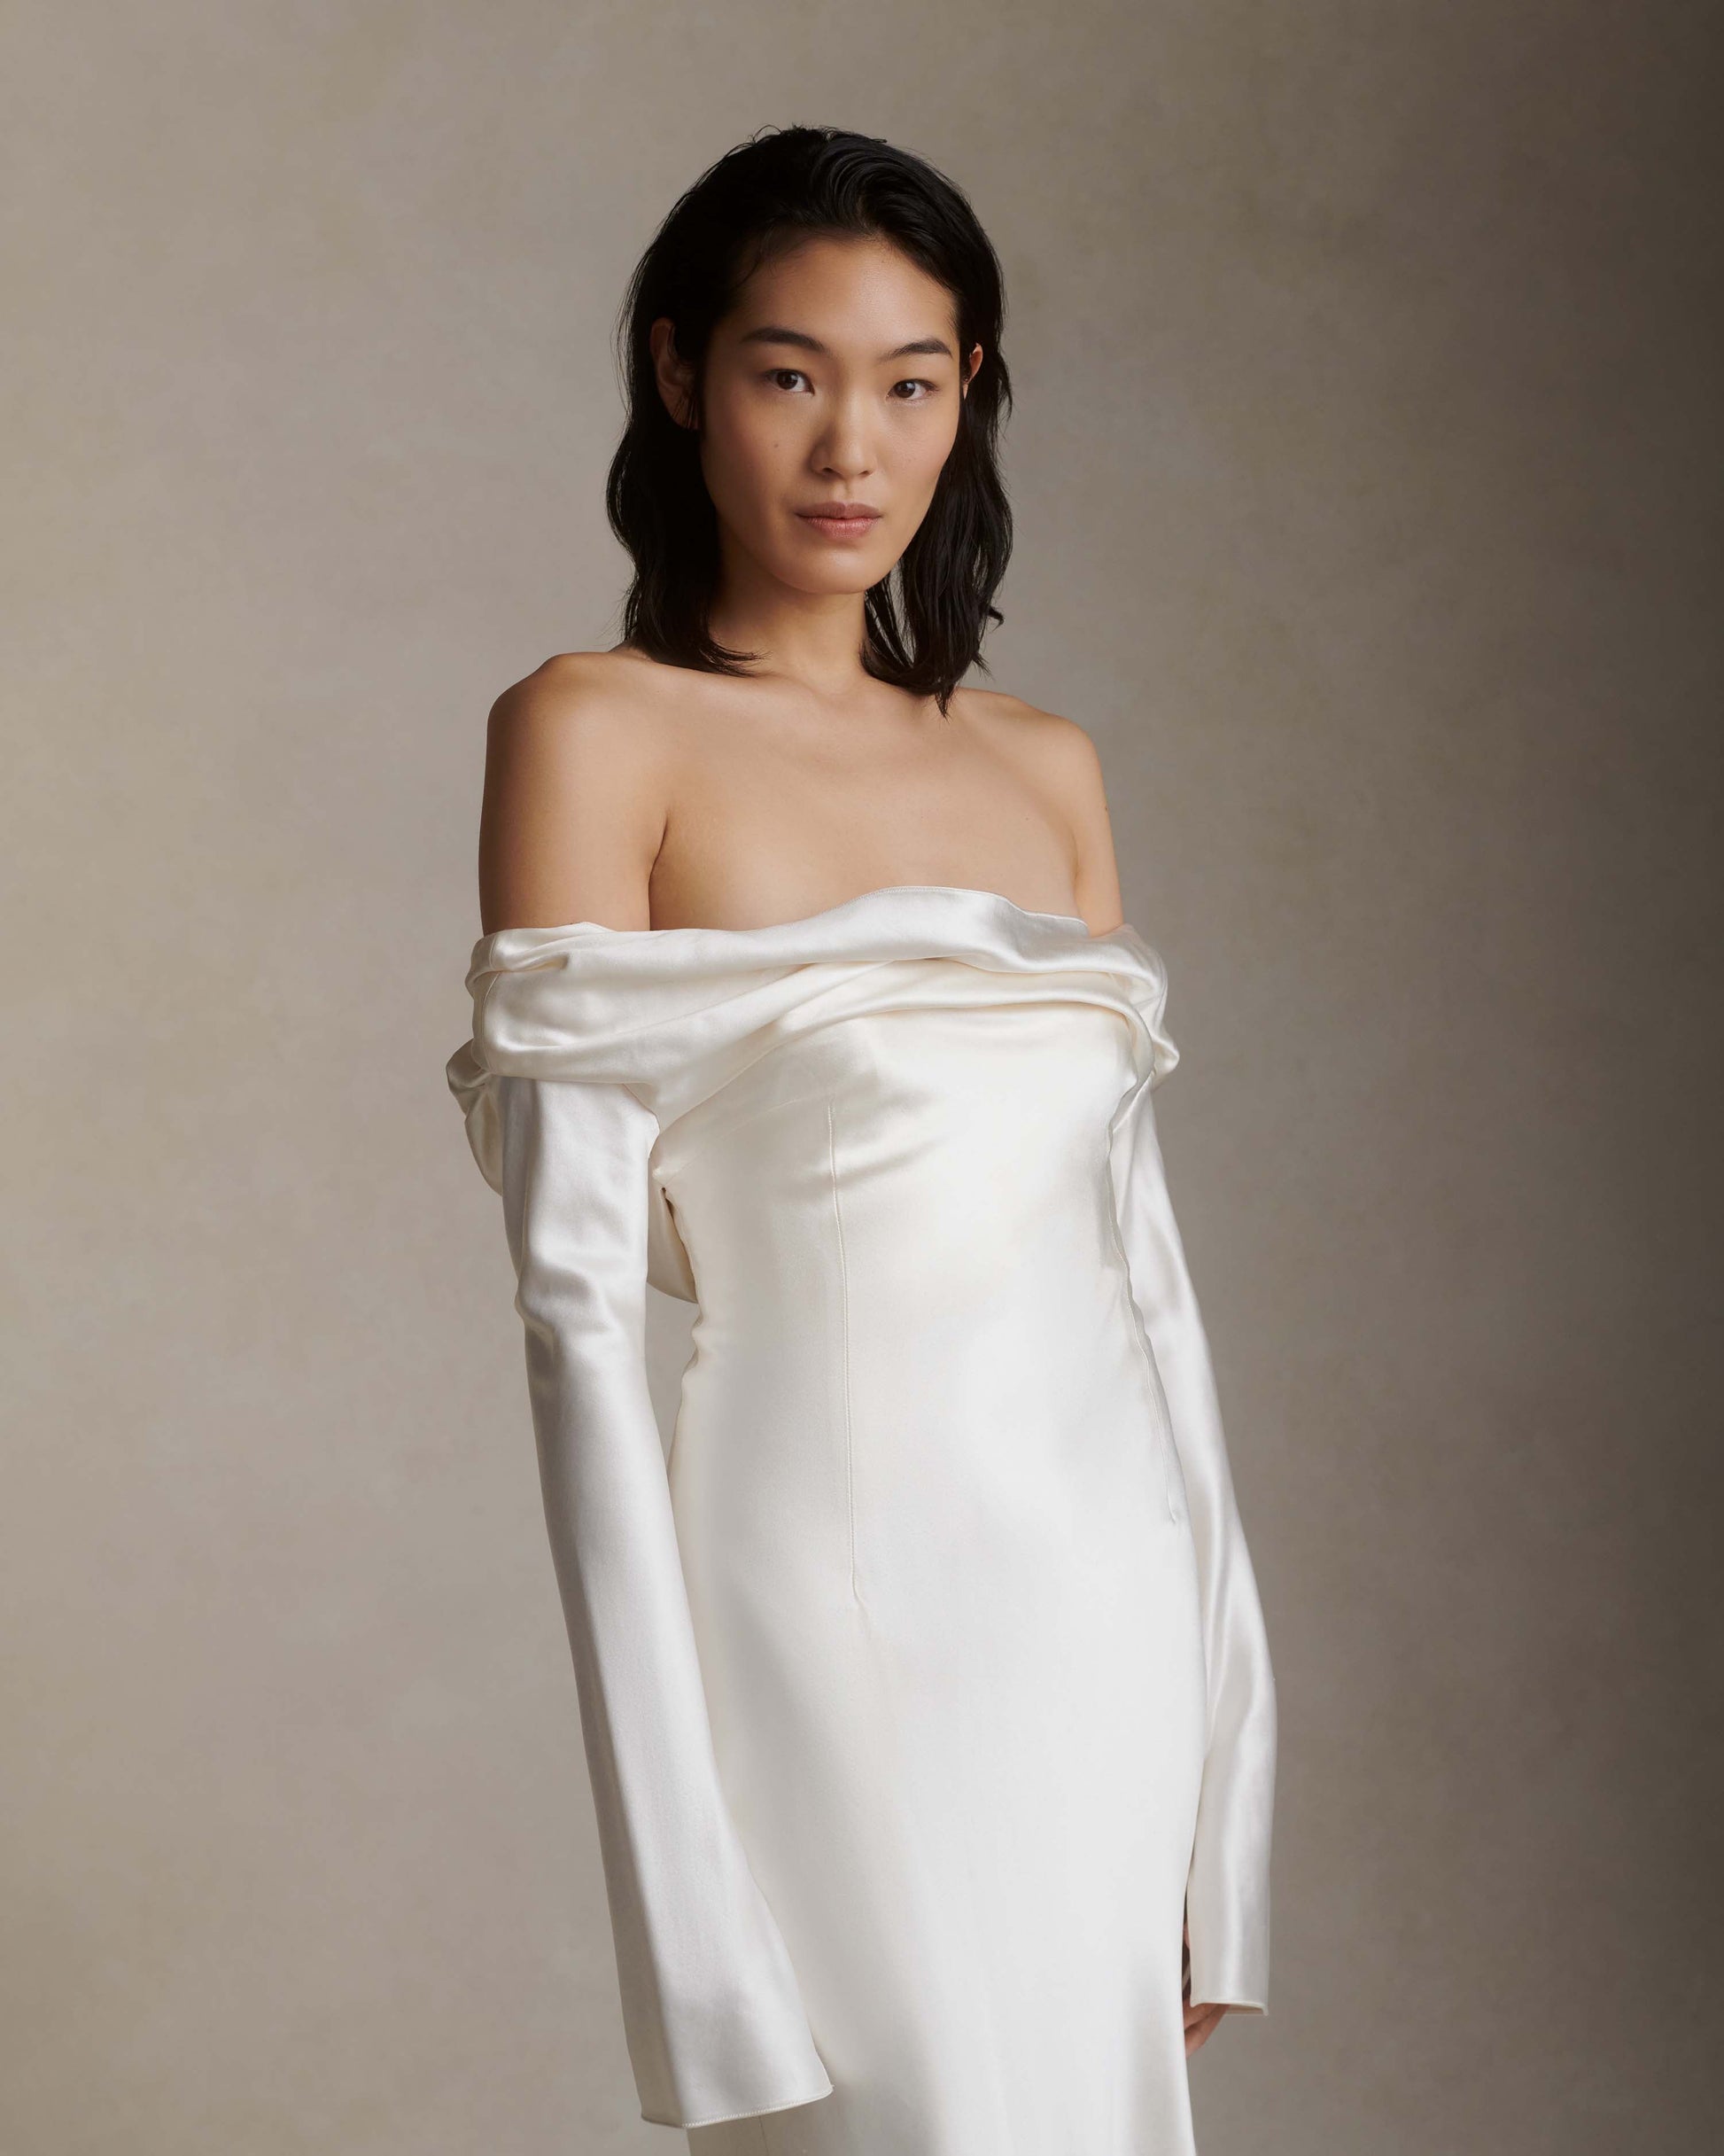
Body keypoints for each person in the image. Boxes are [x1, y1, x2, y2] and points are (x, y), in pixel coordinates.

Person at [447, 124, 1276, 2155]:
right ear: (678, 372)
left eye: (910, 382)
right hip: (824, 1582)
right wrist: (686, 1930)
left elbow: (1144, 1289)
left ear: (966, 393)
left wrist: (1224, 1793)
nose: (851, 448)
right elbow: (572, 1323)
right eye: (787, 372)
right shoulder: (593, 731)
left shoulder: (1048, 768)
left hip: (1101, 1603)